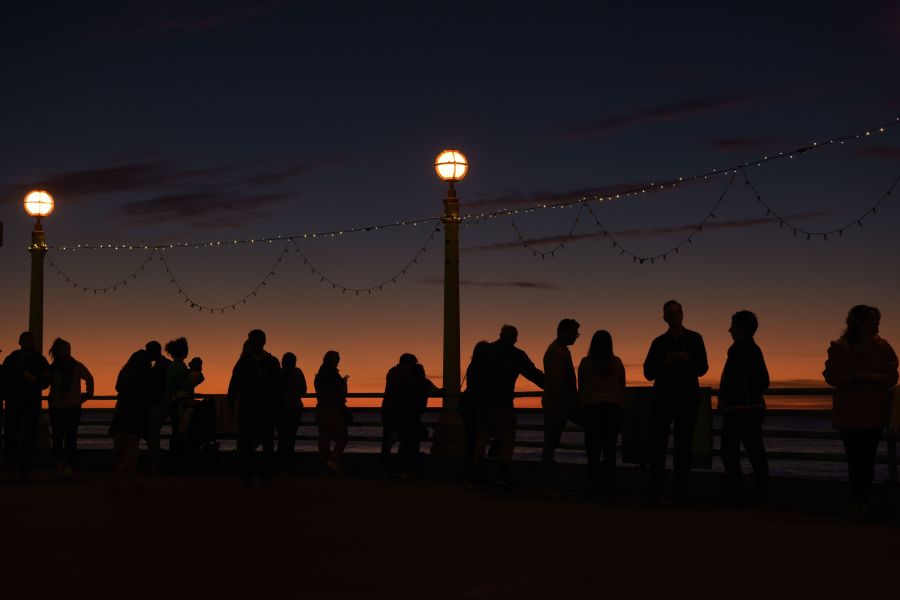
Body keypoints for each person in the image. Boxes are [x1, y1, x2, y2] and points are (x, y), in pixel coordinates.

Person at [823, 305, 899, 520]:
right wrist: (846, 379)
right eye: (873, 320)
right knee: (856, 459)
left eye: (878, 320)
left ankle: (861, 503)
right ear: (859, 322)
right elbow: (830, 375)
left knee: (865, 459)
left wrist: (868, 377)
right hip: (850, 413)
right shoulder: (839, 348)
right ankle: (860, 502)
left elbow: (892, 377)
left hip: (872, 413)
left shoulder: (883, 347)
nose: (877, 324)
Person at [643, 300, 709, 504]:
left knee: (683, 447)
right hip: (663, 399)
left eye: (677, 312)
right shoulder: (658, 343)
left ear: (682, 314)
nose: (674, 316)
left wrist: (688, 361)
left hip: (687, 400)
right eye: (670, 313)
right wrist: (666, 362)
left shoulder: (695, 338)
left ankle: (679, 492)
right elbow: (648, 373)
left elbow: (703, 368)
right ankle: (657, 490)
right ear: (664, 318)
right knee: (658, 446)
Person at [472, 325, 544, 488]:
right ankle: (501, 476)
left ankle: (476, 476)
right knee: (508, 439)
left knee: (481, 439)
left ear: (500, 334)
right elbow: (533, 374)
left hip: (482, 403)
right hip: (502, 403)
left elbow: (474, 375)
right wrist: (552, 386)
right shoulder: (516, 355)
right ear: (514, 338)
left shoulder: (485, 351)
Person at [717, 311, 770, 507]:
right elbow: (763, 382)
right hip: (749, 409)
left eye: (733, 325)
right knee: (755, 453)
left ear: (742, 328)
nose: (729, 329)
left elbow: (760, 381)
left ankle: (741, 498)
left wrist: (728, 398)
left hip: (741, 410)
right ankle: (756, 498)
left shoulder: (742, 349)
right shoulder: (751, 349)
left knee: (731, 453)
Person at [228, 330, 281, 487]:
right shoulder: (244, 362)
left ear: (263, 341)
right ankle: (247, 477)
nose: (253, 343)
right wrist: (230, 401)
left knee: (267, 443)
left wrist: (277, 407)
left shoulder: (272, 362)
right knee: (246, 443)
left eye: (255, 340)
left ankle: (265, 477)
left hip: (266, 409)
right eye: (252, 341)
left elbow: (278, 386)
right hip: (247, 408)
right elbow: (234, 384)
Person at [577, 330, 625, 500]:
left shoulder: (585, 363)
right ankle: (610, 489)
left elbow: (581, 390)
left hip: (592, 411)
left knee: (593, 452)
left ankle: (594, 489)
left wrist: (582, 408)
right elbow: (622, 388)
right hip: (612, 411)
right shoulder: (617, 363)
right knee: (610, 452)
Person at [1, 332, 50, 478]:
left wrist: (35, 380)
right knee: (11, 434)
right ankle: (11, 464)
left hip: (30, 404)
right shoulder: (11, 359)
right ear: (20, 342)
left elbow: (46, 381)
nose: (29, 343)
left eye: (31, 341)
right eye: (27, 341)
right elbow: (3, 379)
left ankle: (24, 466)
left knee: (28, 435)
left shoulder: (39, 360)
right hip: (14, 402)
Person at [381, 354, 436, 478]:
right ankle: (405, 469)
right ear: (408, 364)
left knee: (393, 441)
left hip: (391, 411)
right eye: (413, 364)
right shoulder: (410, 378)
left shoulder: (393, 372)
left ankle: (388, 469)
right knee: (412, 439)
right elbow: (427, 387)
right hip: (400, 413)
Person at [47, 338, 93, 477]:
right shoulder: (52, 368)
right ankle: (59, 463)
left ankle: (69, 465)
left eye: (68, 350)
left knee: (70, 437)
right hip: (56, 407)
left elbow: (89, 378)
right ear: (57, 352)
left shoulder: (77, 366)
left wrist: (88, 394)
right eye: (63, 350)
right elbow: (45, 383)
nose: (66, 352)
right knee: (57, 437)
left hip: (72, 407)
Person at [110, 350, 153, 493]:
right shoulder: (142, 377)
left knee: (123, 448)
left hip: (122, 412)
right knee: (132, 450)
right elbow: (145, 396)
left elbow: (118, 388)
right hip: (135, 414)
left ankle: (129, 476)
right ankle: (122, 477)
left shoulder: (125, 373)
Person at [541, 319, 580, 478]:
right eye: (574, 333)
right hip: (559, 404)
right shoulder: (557, 352)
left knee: (551, 441)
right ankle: (547, 479)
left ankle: (547, 476)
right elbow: (558, 383)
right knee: (550, 442)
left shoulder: (558, 350)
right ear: (563, 332)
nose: (576, 337)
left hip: (558, 403)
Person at [461, 341, 492, 485]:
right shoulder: (484, 367)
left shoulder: (472, 365)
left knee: (471, 440)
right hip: (477, 406)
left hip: (468, 406)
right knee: (478, 439)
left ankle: (470, 474)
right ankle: (476, 472)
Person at [314, 350, 349, 475]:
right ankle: (332, 461)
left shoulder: (319, 375)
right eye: (337, 358)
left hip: (320, 409)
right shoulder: (333, 375)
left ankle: (324, 467)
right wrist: (344, 383)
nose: (339, 360)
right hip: (333, 410)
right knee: (342, 438)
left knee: (324, 438)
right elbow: (340, 393)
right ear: (333, 360)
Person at [144, 340, 172, 472]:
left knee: (153, 433)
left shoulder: (161, 366)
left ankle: (153, 461)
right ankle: (154, 460)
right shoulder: (164, 364)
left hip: (158, 403)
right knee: (153, 433)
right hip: (159, 403)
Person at [277, 352, 307, 472]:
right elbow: (304, 390)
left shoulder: (278, 373)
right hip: (295, 408)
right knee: (291, 437)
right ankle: (288, 464)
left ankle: (281, 464)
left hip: (280, 409)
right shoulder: (298, 372)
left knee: (282, 438)